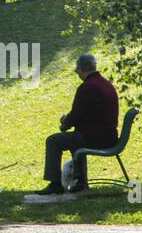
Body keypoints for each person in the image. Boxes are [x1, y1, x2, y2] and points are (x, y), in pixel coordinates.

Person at [33, 53, 118, 195]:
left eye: (76, 69)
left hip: (95, 138)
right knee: (74, 139)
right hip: (109, 136)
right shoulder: (105, 84)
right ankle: (80, 181)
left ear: (82, 68)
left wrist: (65, 121)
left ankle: (55, 184)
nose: (76, 72)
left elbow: (75, 116)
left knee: (53, 140)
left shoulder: (86, 87)